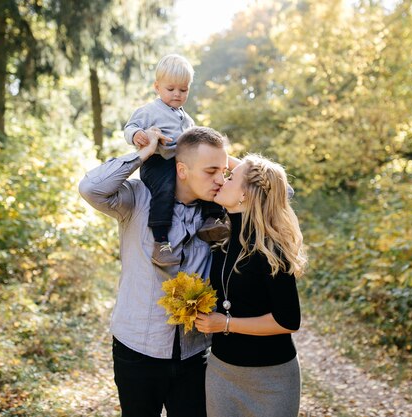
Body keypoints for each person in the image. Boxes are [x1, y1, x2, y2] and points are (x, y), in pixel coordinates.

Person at [79, 126, 234, 417]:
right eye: (211, 170)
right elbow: (91, 188)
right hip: (137, 349)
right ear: (182, 169)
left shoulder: (220, 210)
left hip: (195, 352)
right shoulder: (138, 198)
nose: (219, 179)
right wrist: (144, 153)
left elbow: (279, 192)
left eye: (223, 171)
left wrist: (223, 160)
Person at [194, 154, 307, 417]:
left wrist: (225, 324)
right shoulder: (221, 239)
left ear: (245, 194)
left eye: (230, 177)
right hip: (221, 372)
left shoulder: (271, 249)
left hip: (272, 379)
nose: (222, 179)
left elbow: (288, 320)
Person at [124, 54, 228, 267]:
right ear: (157, 87)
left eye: (183, 90)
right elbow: (130, 127)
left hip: (180, 162)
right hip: (158, 162)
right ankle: (161, 242)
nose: (177, 95)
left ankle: (212, 220)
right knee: (165, 189)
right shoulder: (149, 111)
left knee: (202, 179)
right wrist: (137, 136)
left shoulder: (187, 119)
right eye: (171, 89)